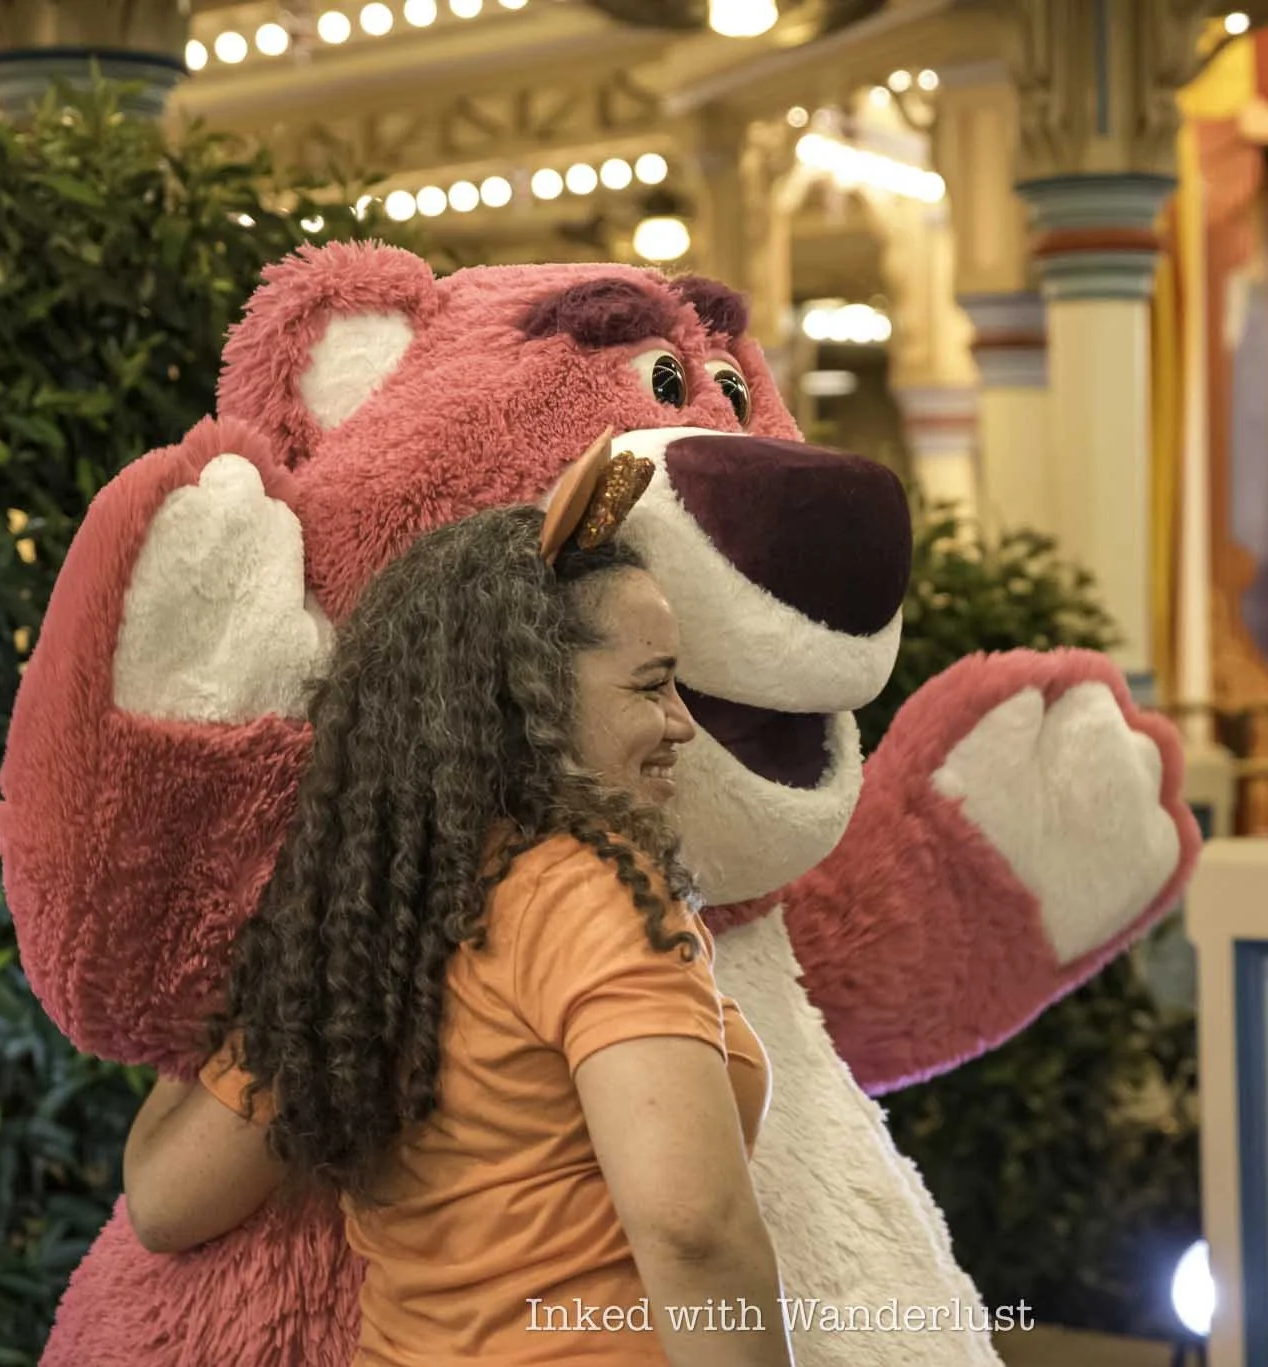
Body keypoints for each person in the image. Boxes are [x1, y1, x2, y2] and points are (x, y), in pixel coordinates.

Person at [118, 443, 792, 1367]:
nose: (682, 721)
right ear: (528, 694)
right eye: (652, 683)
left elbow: (163, 1199)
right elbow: (693, 1227)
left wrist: (237, 998)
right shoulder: (592, 887)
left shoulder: (360, 928)